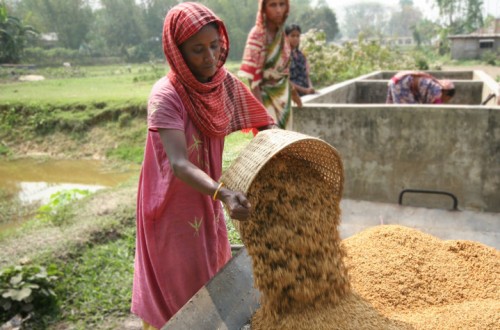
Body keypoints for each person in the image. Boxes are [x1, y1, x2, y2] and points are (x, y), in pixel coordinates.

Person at [131, 3, 275, 329]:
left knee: (210, 267)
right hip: (171, 204)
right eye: (197, 50)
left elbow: (266, 125)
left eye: (215, 46)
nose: (210, 57)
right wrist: (223, 194)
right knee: (178, 286)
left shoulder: (223, 85)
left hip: (207, 197)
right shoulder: (166, 95)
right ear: (178, 52)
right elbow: (179, 164)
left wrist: (284, 153)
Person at [238, 0, 301, 130]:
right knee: (271, 145)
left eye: (282, 4)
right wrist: (262, 114)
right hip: (265, 98)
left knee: (286, 145)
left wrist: (294, 93)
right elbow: (253, 80)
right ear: (264, 8)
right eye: (273, 5)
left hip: (284, 99)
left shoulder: (282, 36)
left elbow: (283, 72)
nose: (278, 10)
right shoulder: (257, 35)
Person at [386, 71, 455, 104]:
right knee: (409, 112)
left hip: (398, 80)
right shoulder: (437, 92)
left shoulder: (433, 83)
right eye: (447, 99)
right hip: (401, 84)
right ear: (447, 95)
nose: (445, 101)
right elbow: (436, 109)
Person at [285, 24, 315, 96]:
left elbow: (306, 76)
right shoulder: (283, 56)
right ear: (286, 37)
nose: (295, 38)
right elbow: (284, 81)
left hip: (306, 93)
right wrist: (304, 90)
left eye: (297, 36)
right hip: (292, 95)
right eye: (292, 36)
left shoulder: (301, 55)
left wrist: (311, 88)